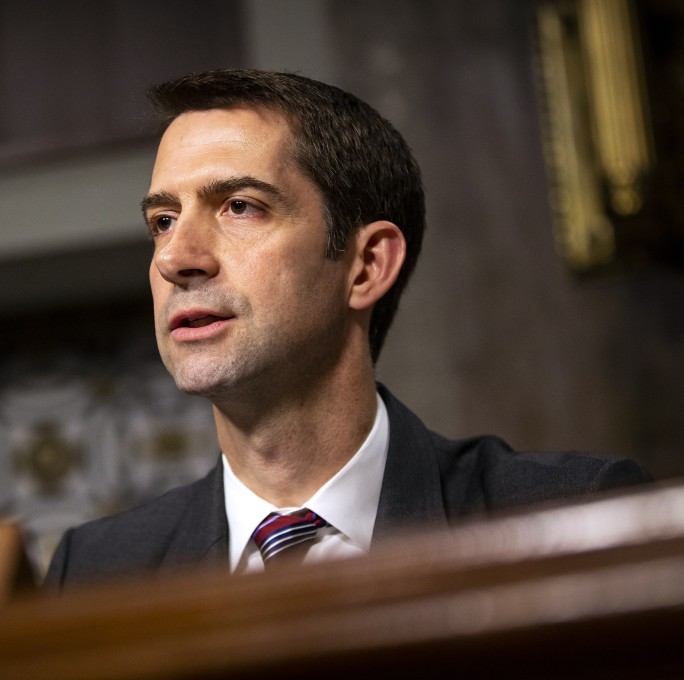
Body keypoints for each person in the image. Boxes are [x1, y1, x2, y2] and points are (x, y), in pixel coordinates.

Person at [43, 69, 650, 590]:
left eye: (240, 206)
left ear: (366, 266)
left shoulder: (576, 519)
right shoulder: (93, 572)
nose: (177, 258)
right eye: (164, 220)